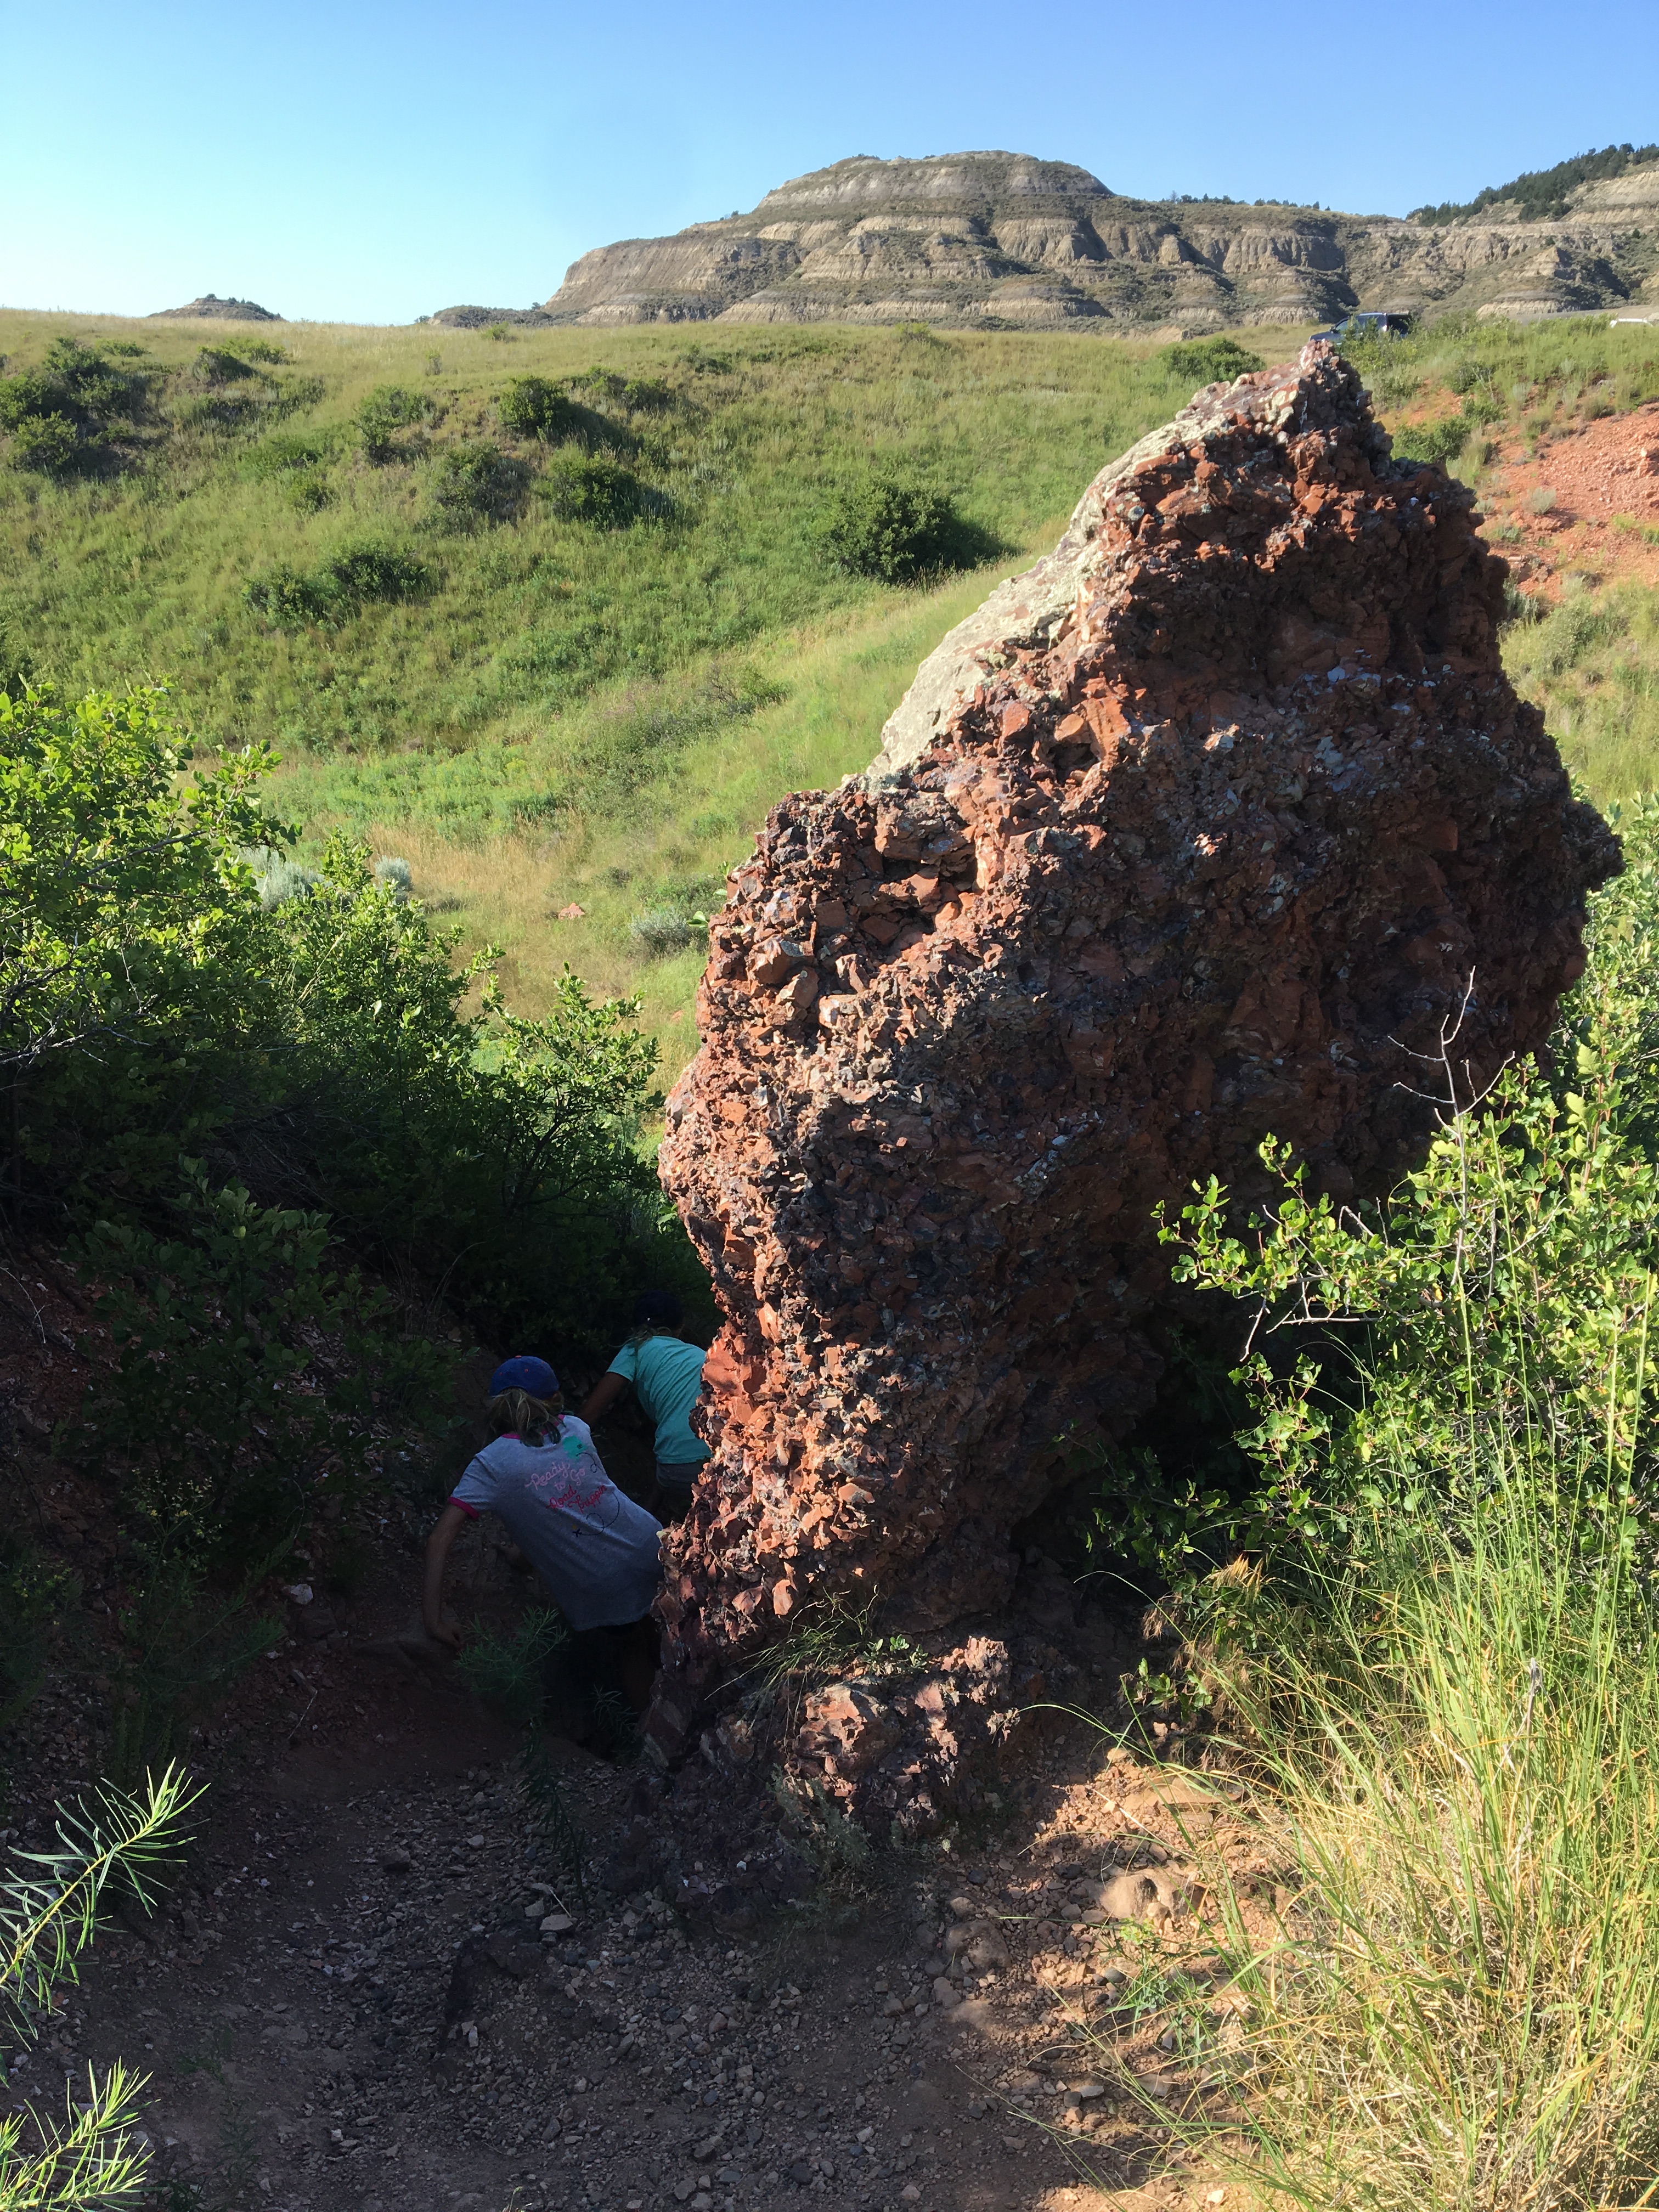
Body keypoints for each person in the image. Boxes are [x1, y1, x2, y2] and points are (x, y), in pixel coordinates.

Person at [423, 1356, 663, 1673]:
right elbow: (572, 1503)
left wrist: (434, 1620)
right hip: (652, 1544)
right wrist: (522, 1558)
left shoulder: (492, 1465)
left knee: (632, 1651)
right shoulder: (576, 1429)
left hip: (604, 1581)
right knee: (669, 1631)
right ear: (554, 1398)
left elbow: (440, 1538)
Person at [580, 1291, 710, 1520]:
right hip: (722, 1462)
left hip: (676, 1471)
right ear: (680, 1328)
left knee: (671, 1457)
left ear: (636, 1327)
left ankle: (645, 1520)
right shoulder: (702, 1355)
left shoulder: (635, 1349)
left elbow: (590, 1413)